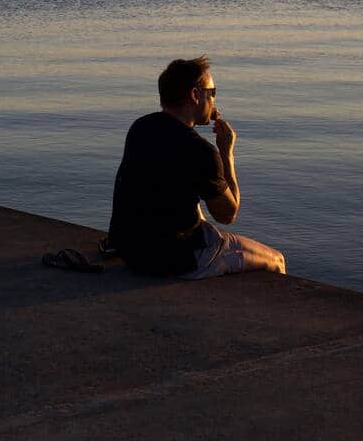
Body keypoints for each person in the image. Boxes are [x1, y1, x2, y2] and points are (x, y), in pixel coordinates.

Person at [107, 55, 286, 279]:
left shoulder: (141, 127)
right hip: (178, 259)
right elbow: (227, 214)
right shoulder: (201, 151)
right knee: (277, 260)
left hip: (132, 252)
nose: (213, 100)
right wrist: (226, 153)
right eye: (212, 93)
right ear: (195, 95)